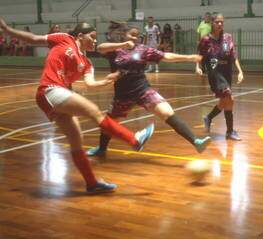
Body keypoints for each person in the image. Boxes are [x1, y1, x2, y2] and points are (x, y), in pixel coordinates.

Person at [0, 19, 154, 193]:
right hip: (49, 90)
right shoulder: (64, 39)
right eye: (92, 37)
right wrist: (7, 29)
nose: (95, 41)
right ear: (80, 35)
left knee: (76, 139)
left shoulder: (87, 63)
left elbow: (90, 84)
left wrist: (105, 81)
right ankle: (134, 140)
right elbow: (34, 38)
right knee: (94, 111)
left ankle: (91, 183)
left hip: (56, 95)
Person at [86, 26, 211, 157]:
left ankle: (196, 142)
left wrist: (188, 58)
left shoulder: (143, 50)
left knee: (167, 112)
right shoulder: (115, 50)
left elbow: (166, 56)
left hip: (143, 90)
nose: (135, 38)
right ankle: (101, 149)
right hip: (122, 95)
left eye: (137, 35)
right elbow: (100, 48)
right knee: (110, 124)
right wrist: (123, 44)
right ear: (124, 35)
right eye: (132, 35)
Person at [196, 13, 244, 141]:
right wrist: (198, 66)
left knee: (228, 101)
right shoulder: (206, 39)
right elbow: (199, 54)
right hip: (214, 71)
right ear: (211, 23)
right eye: (217, 22)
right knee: (229, 97)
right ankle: (230, 131)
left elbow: (234, 56)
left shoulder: (228, 37)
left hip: (226, 72)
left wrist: (240, 71)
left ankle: (209, 118)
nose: (220, 24)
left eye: (222, 22)